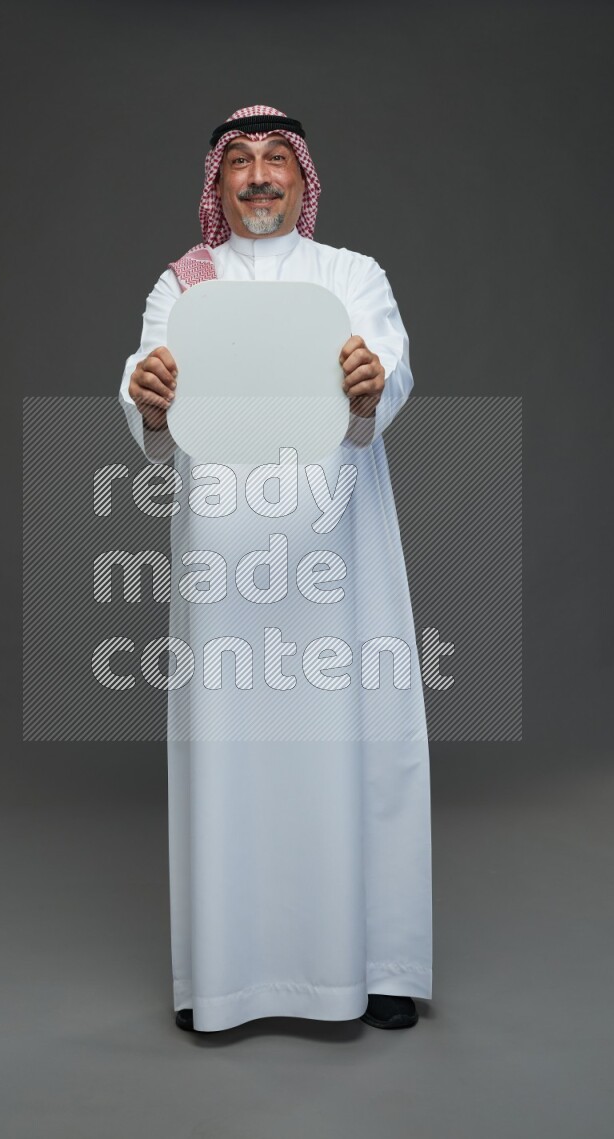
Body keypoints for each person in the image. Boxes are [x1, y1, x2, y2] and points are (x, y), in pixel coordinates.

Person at [118, 105, 432, 1033]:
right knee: (234, 753)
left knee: (355, 740)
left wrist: (374, 376)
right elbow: (149, 375)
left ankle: (376, 964)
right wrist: (147, 393)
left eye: (275, 161)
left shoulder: (351, 275)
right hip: (227, 565)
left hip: (336, 550)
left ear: (303, 177)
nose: (258, 177)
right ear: (217, 186)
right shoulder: (186, 283)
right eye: (240, 164)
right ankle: (225, 976)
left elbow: (391, 363)